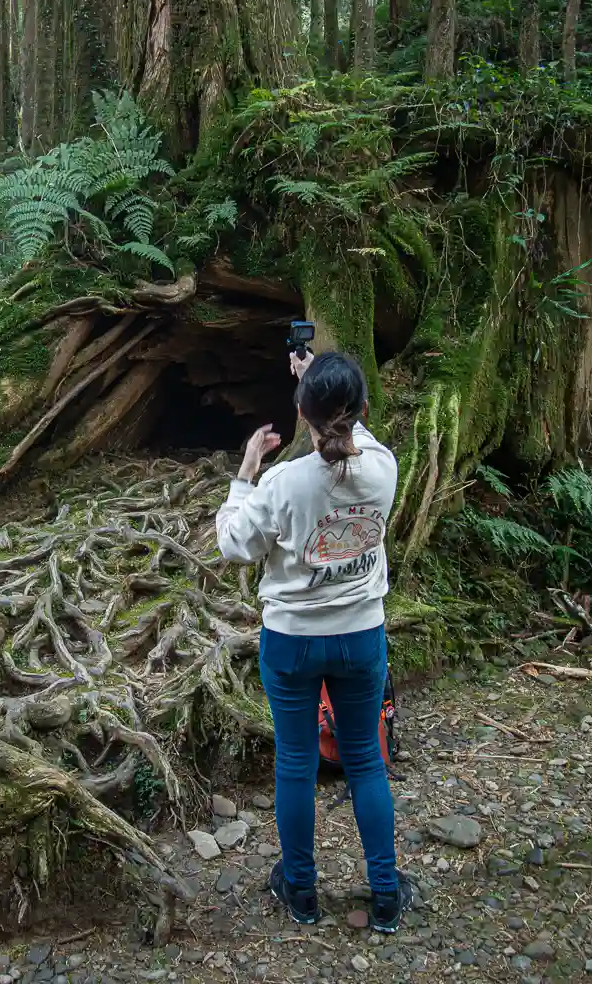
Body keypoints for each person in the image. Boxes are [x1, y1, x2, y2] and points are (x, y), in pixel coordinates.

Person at [214, 349, 411, 932]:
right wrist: (319, 386)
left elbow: (232, 545)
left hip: (293, 641)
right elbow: (353, 430)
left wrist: (245, 469)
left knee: (296, 764)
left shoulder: (281, 482)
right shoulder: (384, 467)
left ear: (301, 413)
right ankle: (385, 896)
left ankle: (300, 891)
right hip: (360, 636)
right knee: (367, 763)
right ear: (362, 410)